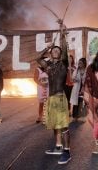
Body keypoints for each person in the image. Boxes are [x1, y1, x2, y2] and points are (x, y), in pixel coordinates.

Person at [37, 19, 71, 165]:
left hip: (60, 98)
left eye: (58, 50)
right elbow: (38, 59)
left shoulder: (64, 63)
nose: (56, 51)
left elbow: (64, 46)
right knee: (54, 124)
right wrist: (47, 48)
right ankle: (58, 146)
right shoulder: (48, 65)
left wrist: (62, 30)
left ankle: (67, 151)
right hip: (51, 98)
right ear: (51, 54)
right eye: (54, 50)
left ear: (61, 54)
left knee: (63, 126)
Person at [33, 57, 49, 123]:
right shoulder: (38, 69)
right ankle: (40, 116)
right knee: (41, 103)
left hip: (48, 87)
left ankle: (46, 117)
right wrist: (41, 84)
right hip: (41, 87)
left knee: (48, 103)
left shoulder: (49, 69)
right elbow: (35, 79)